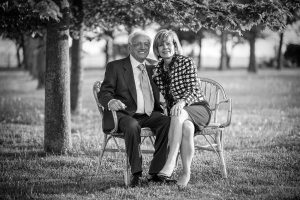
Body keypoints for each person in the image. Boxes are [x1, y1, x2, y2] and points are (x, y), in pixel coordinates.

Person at [98, 31, 171, 187]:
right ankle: (136, 174)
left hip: (150, 113)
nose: (142, 47)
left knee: (167, 122)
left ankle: (156, 172)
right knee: (132, 126)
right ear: (130, 47)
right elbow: (104, 92)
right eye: (138, 44)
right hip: (125, 115)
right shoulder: (115, 66)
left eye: (146, 44)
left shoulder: (155, 66)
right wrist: (111, 101)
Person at [152, 29, 211, 187]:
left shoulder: (186, 62)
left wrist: (181, 102)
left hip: (197, 107)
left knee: (178, 114)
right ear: (156, 50)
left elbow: (194, 89)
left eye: (168, 43)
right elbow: (162, 94)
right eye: (160, 45)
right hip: (179, 114)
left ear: (175, 46)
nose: (165, 47)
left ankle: (171, 160)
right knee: (187, 128)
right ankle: (186, 173)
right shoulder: (157, 70)